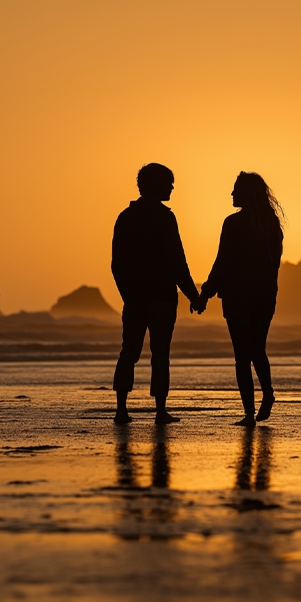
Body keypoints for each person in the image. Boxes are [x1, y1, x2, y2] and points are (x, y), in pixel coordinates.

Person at [111, 163, 205, 424]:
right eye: (168, 183)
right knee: (160, 354)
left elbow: (116, 264)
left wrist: (127, 294)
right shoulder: (165, 218)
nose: (172, 188)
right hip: (162, 298)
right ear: (156, 185)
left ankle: (121, 409)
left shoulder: (125, 217)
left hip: (135, 298)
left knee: (128, 351)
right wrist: (193, 296)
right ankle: (160, 411)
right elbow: (177, 262)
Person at [198, 172, 284, 426]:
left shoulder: (233, 224)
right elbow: (275, 265)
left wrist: (205, 293)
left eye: (236, 190)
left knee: (241, 356)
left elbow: (222, 262)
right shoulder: (272, 225)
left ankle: (248, 414)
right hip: (265, 297)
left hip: (237, 297)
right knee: (258, 348)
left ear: (246, 193)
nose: (232, 194)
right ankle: (267, 391)